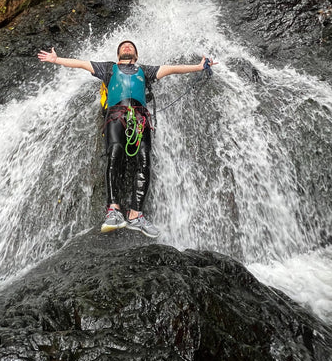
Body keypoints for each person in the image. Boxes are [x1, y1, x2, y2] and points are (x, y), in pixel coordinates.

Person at [37, 40, 217, 238]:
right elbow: (80, 63)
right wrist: (56, 60)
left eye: (131, 46)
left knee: (145, 161)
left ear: (136, 56)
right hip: (115, 115)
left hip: (140, 118)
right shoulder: (107, 69)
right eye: (123, 46)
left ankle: (135, 215)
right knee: (115, 154)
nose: (127, 47)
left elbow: (173, 69)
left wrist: (199, 67)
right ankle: (113, 210)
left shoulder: (145, 71)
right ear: (118, 55)